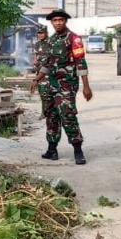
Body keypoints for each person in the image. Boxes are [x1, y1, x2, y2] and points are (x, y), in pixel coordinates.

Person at [41, 9, 94, 164]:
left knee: (67, 114)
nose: (57, 23)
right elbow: (46, 64)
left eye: (60, 20)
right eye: (55, 20)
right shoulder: (50, 40)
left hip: (67, 84)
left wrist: (86, 86)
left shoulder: (74, 39)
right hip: (51, 84)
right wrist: (37, 80)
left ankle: (78, 150)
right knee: (51, 115)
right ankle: (52, 150)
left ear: (65, 21)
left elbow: (80, 62)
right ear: (51, 22)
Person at [28, 25, 52, 122]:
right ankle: (44, 112)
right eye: (39, 33)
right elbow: (35, 55)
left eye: (42, 33)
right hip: (39, 72)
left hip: (48, 72)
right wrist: (34, 62)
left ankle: (50, 112)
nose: (40, 35)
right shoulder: (37, 44)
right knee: (42, 93)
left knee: (49, 93)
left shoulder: (50, 43)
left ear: (46, 33)